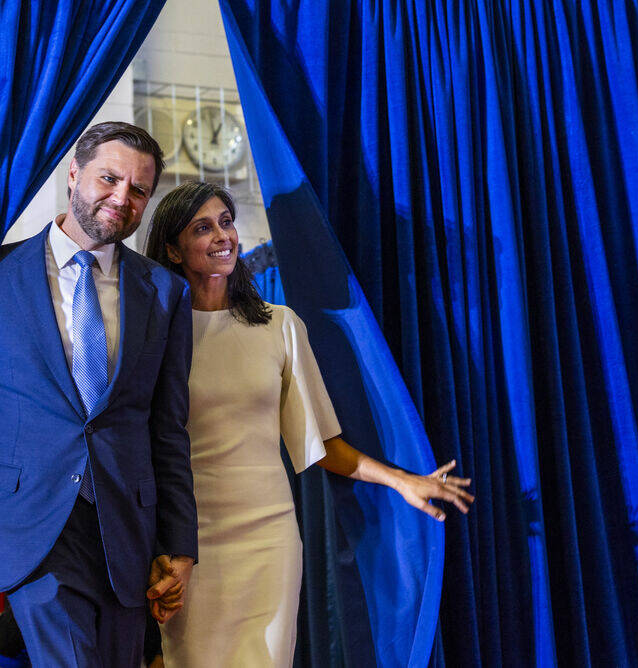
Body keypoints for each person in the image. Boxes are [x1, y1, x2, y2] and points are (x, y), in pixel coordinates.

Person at [142, 181, 474, 666]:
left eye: (227, 222)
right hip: (187, 545)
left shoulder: (279, 325)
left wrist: (403, 481)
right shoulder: (151, 336)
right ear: (172, 249)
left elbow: (324, 444)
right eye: (202, 227)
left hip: (269, 539)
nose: (223, 236)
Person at [0, 122, 198, 667]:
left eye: (139, 189)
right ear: (73, 174)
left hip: (127, 532)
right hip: (30, 525)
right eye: (108, 179)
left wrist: (179, 545)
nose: (122, 198)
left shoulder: (165, 292)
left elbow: (168, 430)